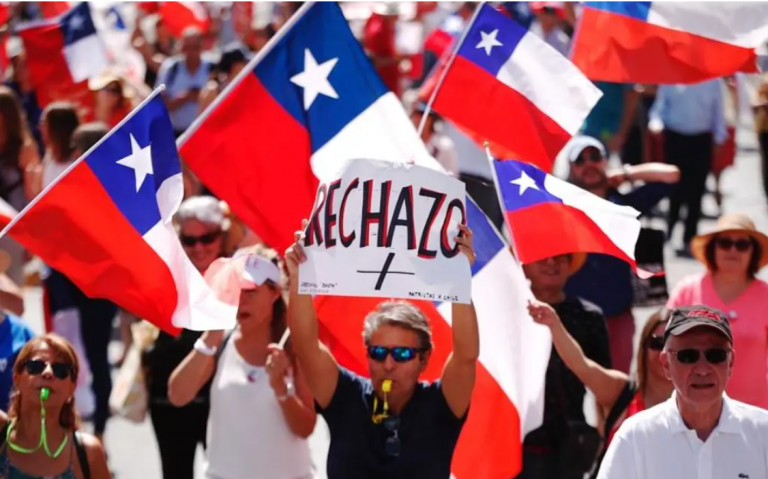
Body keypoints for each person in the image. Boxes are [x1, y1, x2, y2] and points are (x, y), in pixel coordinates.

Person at [284, 221, 479, 478]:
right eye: (378, 353)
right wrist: (299, 277)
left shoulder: (441, 405)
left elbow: (466, 355)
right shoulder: (346, 397)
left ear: (424, 359)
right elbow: (306, 347)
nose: (388, 364)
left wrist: (460, 281)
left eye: (402, 354)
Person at [169, 247, 316, 479]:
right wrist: (211, 337)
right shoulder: (219, 344)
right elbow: (177, 395)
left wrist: (282, 390)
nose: (240, 300)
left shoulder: (294, 349)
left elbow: (306, 428)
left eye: (250, 292)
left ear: (275, 293)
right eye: (234, 290)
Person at [597, 306, 768, 479]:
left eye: (716, 355)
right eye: (687, 356)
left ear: (730, 363)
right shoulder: (635, 438)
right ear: (666, 365)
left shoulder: (763, 433)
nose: (702, 370)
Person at [564, 135, 680, 374]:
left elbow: (671, 175)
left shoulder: (624, 205)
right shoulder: (558, 207)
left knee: (617, 387)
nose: (589, 164)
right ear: (571, 169)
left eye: (594, 157)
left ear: (606, 161)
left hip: (617, 311)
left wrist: (626, 174)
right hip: (572, 315)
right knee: (569, 389)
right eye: (580, 160)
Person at [142, 195, 230, 479]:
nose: (199, 248)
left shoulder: (239, 275)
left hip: (220, 400)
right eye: (190, 241)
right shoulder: (164, 273)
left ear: (221, 237)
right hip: (169, 398)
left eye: (207, 238)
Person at [529, 305, 674, 477]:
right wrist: (554, 324)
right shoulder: (621, 392)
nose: (664, 353)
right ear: (644, 346)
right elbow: (581, 365)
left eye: (673, 345)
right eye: (658, 343)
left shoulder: (700, 403)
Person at [517, 253, 611, 479]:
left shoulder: (589, 316)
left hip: (567, 446)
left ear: (570, 265)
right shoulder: (507, 311)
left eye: (562, 256)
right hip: (511, 442)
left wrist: (605, 440)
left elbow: (604, 387)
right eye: (542, 255)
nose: (551, 262)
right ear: (525, 265)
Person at [667, 212, 768, 409]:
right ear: (712, 248)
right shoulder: (687, 290)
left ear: (753, 252)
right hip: (691, 411)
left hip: (755, 412)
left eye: (742, 245)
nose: (733, 250)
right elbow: (663, 348)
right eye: (725, 243)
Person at [0, 334, 110, 479]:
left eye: (60, 370)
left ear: (72, 389)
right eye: (36, 366)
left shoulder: (88, 453)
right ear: (17, 378)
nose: (48, 373)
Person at [648, 79, 728, 256]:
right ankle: (670, 228)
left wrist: (719, 137)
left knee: (696, 191)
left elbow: (718, 112)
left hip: (701, 140)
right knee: (674, 188)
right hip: (675, 138)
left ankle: (689, 237)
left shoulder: (713, 81)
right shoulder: (671, 78)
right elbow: (659, 108)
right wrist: (656, 125)